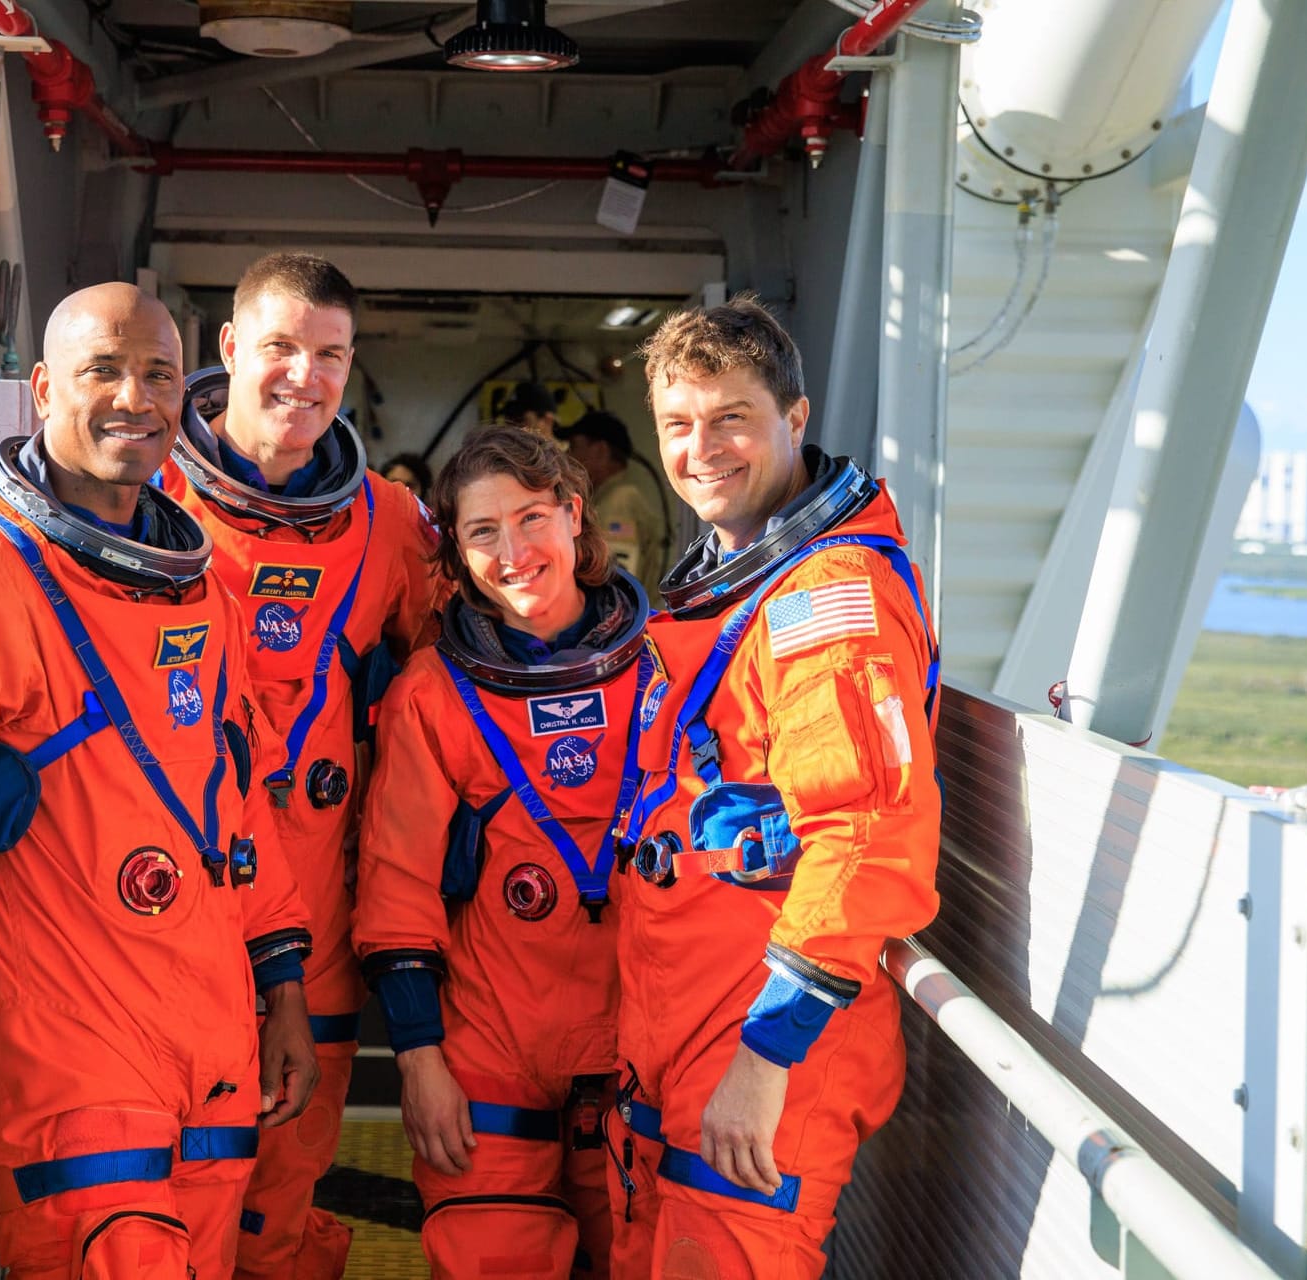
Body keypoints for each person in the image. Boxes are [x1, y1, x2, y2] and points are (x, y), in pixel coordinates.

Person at [0, 283, 319, 1280]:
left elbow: (233, 800)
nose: (135, 395)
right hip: (69, 1055)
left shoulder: (198, 579)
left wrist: (282, 985)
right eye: (103, 369)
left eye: (158, 373)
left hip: (213, 1044)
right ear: (43, 387)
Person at [612, 295, 941, 1277]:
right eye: (677, 423)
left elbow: (866, 830)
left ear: (794, 420)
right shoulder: (743, 580)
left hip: (759, 1037)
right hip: (688, 1016)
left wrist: (766, 1054)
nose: (698, 448)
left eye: (730, 418)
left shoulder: (823, 597)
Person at [157, 253, 442, 1280]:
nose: (302, 376)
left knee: (277, 1203)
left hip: (314, 922)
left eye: (328, 355)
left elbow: (459, 693)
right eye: (279, 346)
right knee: (162, 1204)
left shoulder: (390, 527)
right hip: (161, 919)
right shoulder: (138, 502)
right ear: (229, 348)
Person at [355, 428, 651, 1279]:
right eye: (482, 532)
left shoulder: (666, 667)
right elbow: (398, 887)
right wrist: (418, 1058)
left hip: (640, 1042)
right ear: (455, 549)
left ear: (574, 514)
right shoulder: (433, 695)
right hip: (492, 1046)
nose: (514, 551)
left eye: (531, 518)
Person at [555, 409, 670, 598]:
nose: (568, 455)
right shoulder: (606, 499)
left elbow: (618, 580)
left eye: (574, 446)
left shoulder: (620, 502)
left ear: (600, 450)